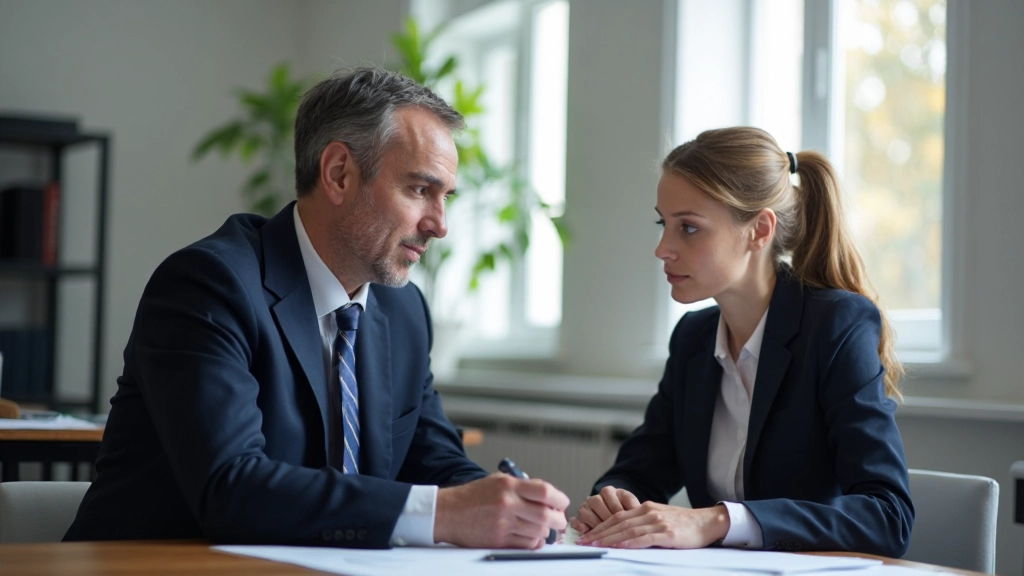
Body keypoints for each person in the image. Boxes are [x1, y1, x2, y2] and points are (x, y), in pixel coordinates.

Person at [65, 66, 568, 549]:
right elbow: (232, 488)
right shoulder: (208, 286)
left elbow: (431, 461)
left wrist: (510, 505)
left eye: (447, 198)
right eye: (420, 190)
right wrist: (447, 514)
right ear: (339, 173)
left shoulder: (403, 310)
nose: (440, 224)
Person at [570, 127, 913, 556]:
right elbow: (641, 469)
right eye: (663, 223)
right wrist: (614, 500)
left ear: (759, 230)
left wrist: (715, 520)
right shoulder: (694, 339)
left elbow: (887, 516)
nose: (663, 248)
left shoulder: (836, 326)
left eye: (688, 228)